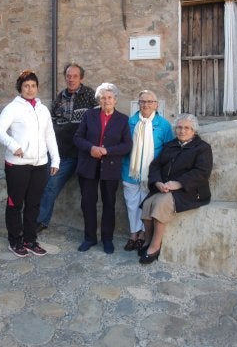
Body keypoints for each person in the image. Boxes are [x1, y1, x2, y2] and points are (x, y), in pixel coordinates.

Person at [0, 70, 60, 257]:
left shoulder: (43, 109)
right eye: (26, 86)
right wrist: (13, 146)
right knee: (15, 203)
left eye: (33, 86)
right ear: (20, 88)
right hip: (18, 165)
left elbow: (49, 135)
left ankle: (30, 240)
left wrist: (55, 159)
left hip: (40, 164)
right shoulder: (13, 108)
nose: (30, 89)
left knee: (34, 204)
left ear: (37, 88)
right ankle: (15, 240)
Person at [138, 113, 213, 264]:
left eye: (187, 128)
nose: (182, 131)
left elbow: (202, 172)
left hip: (190, 191)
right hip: (165, 187)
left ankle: (155, 245)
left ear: (194, 131)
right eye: (179, 127)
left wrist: (178, 184)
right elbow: (155, 165)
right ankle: (147, 239)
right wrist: (158, 182)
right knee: (147, 203)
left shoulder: (202, 148)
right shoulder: (170, 145)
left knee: (160, 204)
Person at [37, 63, 97, 231]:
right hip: (62, 153)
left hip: (83, 153)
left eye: (75, 76)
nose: (71, 79)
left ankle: (90, 232)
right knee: (48, 185)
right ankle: (40, 221)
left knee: (86, 194)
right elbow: (51, 123)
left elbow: (96, 122)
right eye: (68, 76)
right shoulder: (60, 97)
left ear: (81, 78)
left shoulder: (90, 96)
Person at [73, 82, 132, 254]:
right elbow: (77, 138)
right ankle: (89, 238)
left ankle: (107, 239)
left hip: (110, 167)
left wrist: (107, 151)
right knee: (88, 203)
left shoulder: (122, 119)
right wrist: (91, 148)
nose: (106, 100)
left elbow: (127, 145)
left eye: (109, 97)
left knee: (109, 203)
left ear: (115, 100)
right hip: (88, 166)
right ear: (98, 99)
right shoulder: (89, 115)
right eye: (103, 97)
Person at [121, 90, 173, 251]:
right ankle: (133, 235)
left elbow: (168, 150)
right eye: (143, 101)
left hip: (151, 174)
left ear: (156, 105)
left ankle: (143, 236)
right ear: (138, 104)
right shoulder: (130, 122)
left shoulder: (163, 125)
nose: (146, 105)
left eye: (150, 102)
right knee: (131, 204)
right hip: (130, 171)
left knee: (146, 205)